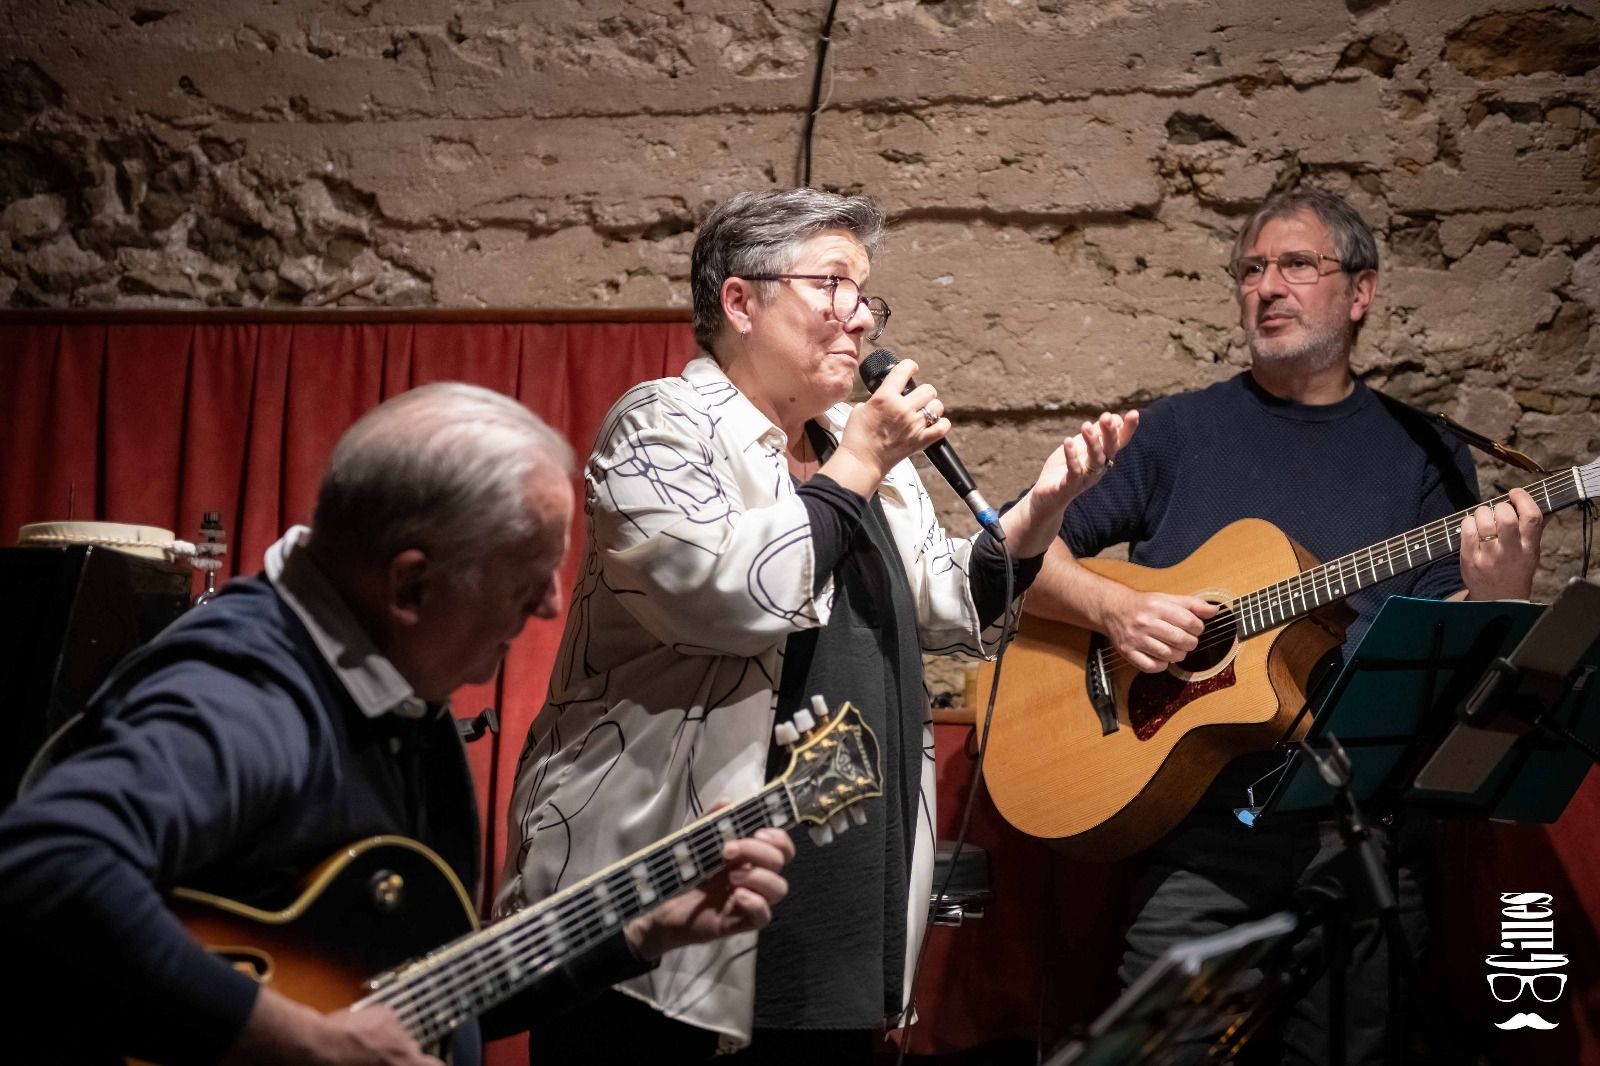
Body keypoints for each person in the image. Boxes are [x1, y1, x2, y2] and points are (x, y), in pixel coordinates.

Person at [496, 187, 1134, 1064]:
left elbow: (946, 601)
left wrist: (1038, 513)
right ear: (740, 301)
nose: (861, 320)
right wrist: (865, 456)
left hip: (839, 887)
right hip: (669, 908)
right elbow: (728, 593)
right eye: (833, 285)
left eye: (865, 295)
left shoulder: (849, 447)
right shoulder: (662, 425)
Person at [0, 383, 795, 1066]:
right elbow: (46, 861)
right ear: (411, 587)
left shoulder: (388, 692)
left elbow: (424, 997)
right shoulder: (247, 691)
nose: (552, 605)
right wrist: (303, 1044)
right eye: (526, 578)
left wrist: (641, 931)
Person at [1023, 186, 1546, 1064]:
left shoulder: (1426, 452)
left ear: (1361, 291)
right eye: (1252, 268)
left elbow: (1446, 638)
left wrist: (1502, 596)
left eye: (1297, 264)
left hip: (1364, 828)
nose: (1267, 286)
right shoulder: (1174, 433)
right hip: (1195, 823)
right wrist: (1116, 608)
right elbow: (1014, 553)